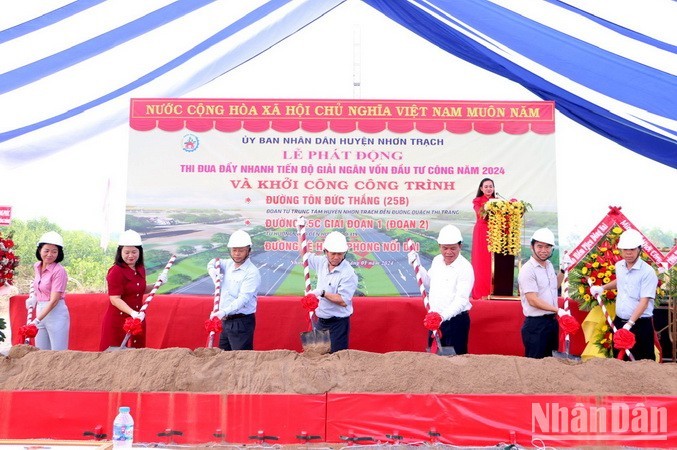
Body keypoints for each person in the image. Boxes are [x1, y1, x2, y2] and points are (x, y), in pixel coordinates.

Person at [590, 229, 658, 361]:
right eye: (625, 249)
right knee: (619, 363)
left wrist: (630, 324)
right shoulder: (619, 265)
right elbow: (621, 281)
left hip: (639, 325)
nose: (628, 253)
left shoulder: (648, 272)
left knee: (642, 362)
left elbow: (644, 302)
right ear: (620, 250)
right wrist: (602, 288)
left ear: (639, 249)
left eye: (632, 249)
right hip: (620, 321)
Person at [408, 224, 474, 354]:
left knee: (456, 361)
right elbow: (428, 282)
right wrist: (417, 265)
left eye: (453, 248)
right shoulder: (437, 260)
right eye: (445, 248)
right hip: (435, 320)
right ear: (439, 247)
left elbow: (461, 300)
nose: (448, 252)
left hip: (455, 321)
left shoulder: (465, 268)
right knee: (434, 361)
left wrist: (442, 317)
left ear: (460, 246)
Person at [99, 230, 166, 350]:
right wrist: (132, 313)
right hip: (118, 320)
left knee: (136, 354)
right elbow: (114, 299)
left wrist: (158, 284)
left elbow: (140, 289)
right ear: (120, 252)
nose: (131, 256)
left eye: (134, 252)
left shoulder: (140, 268)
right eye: (127, 252)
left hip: (137, 318)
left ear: (140, 252)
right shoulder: (116, 271)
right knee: (114, 355)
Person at [297, 221, 358, 353]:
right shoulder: (321, 262)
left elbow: (343, 301)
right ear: (325, 252)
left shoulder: (348, 273)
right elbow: (304, 255)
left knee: (336, 358)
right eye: (333, 253)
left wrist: (322, 293)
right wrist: (299, 231)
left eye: (340, 254)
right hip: (321, 320)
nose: (336, 257)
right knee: (319, 356)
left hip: (338, 323)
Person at [518, 228, 569, 359]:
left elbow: (554, 287)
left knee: (550, 364)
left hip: (551, 323)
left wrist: (563, 271)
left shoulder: (549, 265)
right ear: (532, 247)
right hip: (535, 326)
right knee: (536, 366)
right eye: (539, 246)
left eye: (547, 247)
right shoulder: (528, 270)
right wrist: (558, 310)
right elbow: (533, 300)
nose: (543, 250)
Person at [207, 229, 261, 351]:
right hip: (226, 322)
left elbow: (243, 299)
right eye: (234, 250)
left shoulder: (252, 272)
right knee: (224, 357)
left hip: (241, 322)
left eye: (241, 250)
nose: (237, 254)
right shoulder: (227, 264)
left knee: (241, 360)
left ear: (249, 251)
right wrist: (213, 272)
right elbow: (212, 262)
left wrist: (222, 312)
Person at [26, 231, 70, 350]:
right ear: (39, 250)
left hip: (55, 313)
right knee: (41, 352)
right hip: (41, 310)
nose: (50, 254)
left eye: (54, 251)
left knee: (57, 353)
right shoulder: (37, 266)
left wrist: (37, 320)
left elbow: (54, 300)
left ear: (59, 253)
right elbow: (39, 287)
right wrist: (34, 298)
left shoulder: (59, 271)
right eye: (46, 250)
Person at [471, 178, 495, 300]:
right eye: (486, 187)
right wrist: (490, 205)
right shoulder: (477, 201)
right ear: (481, 188)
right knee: (481, 262)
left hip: (495, 233)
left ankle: (493, 292)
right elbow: (481, 213)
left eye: (491, 186)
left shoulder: (498, 201)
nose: (488, 189)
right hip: (481, 232)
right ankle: (480, 294)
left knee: (493, 263)